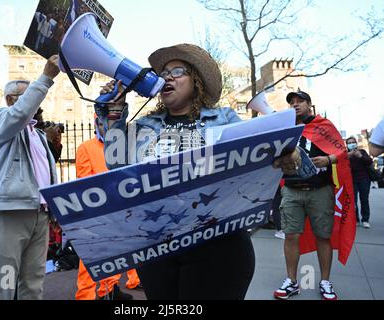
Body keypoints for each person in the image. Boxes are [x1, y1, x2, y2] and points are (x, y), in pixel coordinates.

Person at [96, 43, 312, 300]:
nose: (167, 77)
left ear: (196, 81)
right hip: (158, 249)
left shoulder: (224, 118)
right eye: (163, 73)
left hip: (219, 245)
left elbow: (300, 169)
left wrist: (293, 156)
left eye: (177, 71)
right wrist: (115, 113)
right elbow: (116, 165)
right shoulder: (145, 126)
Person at [0, 55, 60, 300]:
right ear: (10, 100)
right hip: (11, 215)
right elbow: (19, 114)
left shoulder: (38, 136)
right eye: (26, 96)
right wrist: (46, 78)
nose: (35, 103)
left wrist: (54, 208)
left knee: (34, 280)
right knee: (5, 281)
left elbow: (46, 174)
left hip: (39, 215)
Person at [273, 90, 353, 301]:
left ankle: (325, 281)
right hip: (291, 189)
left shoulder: (324, 126)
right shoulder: (287, 129)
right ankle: (291, 281)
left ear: (310, 104)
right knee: (290, 235)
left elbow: (342, 152)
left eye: (300, 101)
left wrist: (328, 160)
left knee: (323, 237)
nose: (295, 105)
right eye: (292, 102)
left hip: (320, 190)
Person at [75, 114, 139, 300]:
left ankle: (109, 290)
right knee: (91, 256)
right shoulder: (85, 147)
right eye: (106, 122)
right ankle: (85, 296)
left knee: (117, 252)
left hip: (121, 208)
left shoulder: (124, 147)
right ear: (97, 122)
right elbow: (84, 182)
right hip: (97, 211)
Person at [346, 136, 373, 228]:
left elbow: (369, 162)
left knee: (364, 199)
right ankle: (356, 219)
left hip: (364, 179)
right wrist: (348, 157)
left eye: (353, 142)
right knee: (353, 201)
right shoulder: (345, 154)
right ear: (346, 145)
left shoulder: (362, 152)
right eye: (349, 143)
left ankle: (365, 219)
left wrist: (360, 156)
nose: (351, 144)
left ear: (356, 144)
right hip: (351, 180)